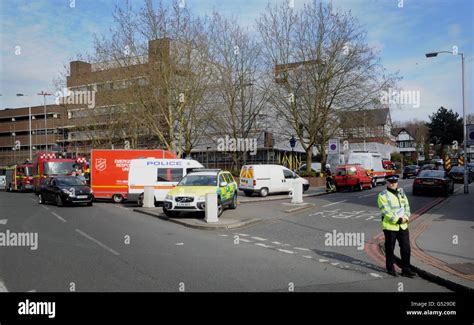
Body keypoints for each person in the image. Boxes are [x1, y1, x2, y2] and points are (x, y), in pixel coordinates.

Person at [377, 174, 416, 278]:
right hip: (390, 227)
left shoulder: (401, 192)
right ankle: (390, 268)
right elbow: (386, 211)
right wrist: (398, 220)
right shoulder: (382, 195)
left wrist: (406, 217)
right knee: (390, 249)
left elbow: (407, 206)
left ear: (397, 182)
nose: (393, 183)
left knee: (406, 248)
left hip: (403, 225)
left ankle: (406, 269)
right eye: (391, 182)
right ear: (387, 182)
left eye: (395, 182)